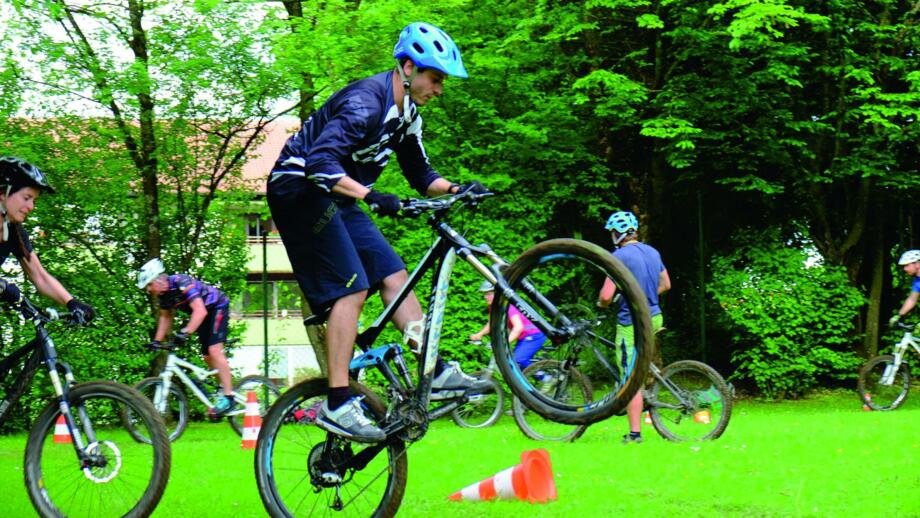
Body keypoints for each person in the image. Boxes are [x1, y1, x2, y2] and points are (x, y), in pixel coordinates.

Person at [266, 22, 489, 442]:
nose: (439, 89)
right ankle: (336, 403)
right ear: (408, 67)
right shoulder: (365, 103)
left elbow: (422, 175)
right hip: (298, 189)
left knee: (394, 276)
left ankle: (433, 371)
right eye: (435, 78)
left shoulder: (407, 117)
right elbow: (319, 165)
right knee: (352, 289)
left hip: (339, 194)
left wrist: (458, 188)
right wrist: (371, 196)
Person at [597, 210, 670, 444]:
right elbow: (666, 284)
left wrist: (602, 303)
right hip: (654, 317)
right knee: (639, 366)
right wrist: (645, 296)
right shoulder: (652, 252)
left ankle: (635, 434)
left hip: (632, 322)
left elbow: (607, 296)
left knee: (630, 378)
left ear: (617, 234)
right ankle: (644, 398)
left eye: (612, 233)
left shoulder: (619, 256)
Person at [136, 258, 235, 417]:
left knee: (215, 350)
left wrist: (186, 332)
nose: (148, 289)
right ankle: (223, 387)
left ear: (159, 280)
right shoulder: (164, 295)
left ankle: (229, 396)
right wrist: (157, 341)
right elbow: (165, 317)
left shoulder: (181, 282)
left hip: (217, 306)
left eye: (149, 284)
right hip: (203, 315)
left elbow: (200, 311)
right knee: (208, 357)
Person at [0, 157, 95, 323]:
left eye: (34, 201)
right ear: (2, 193)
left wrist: (71, 303)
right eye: (26, 197)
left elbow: (40, 276)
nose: (31, 207)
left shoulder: (13, 231)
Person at [470, 281, 547, 370]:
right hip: (525, 337)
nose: (485, 297)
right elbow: (491, 323)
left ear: (497, 294)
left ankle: (545, 378)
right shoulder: (494, 306)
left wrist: (503, 343)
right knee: (514, 366)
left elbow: (518, 327)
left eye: (488, 294)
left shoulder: (508, 306)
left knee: (518, 360)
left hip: (535, 334)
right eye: (484, 294)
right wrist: (479, 334)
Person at [889, 250, 920, 328]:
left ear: (917, 264)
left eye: (907, 265)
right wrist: (899, 315)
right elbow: (912, 299)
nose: (905, 269)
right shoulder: (917, 281)